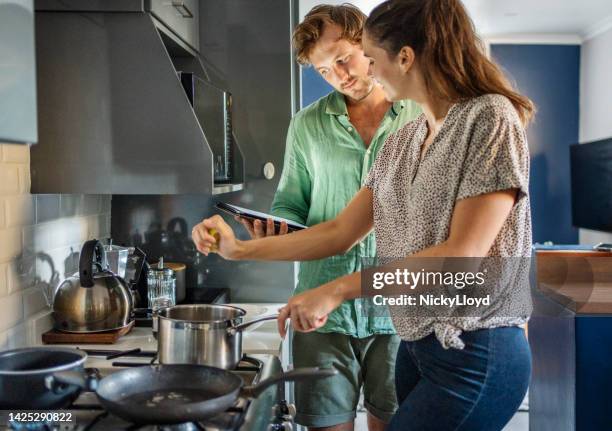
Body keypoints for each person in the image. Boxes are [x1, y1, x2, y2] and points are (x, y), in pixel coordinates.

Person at [193, 0, 534, 429]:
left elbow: (461, 259)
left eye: (369, 59)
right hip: (417, 345)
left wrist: (337, 290)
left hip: (475, 347)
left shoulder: (488, 117)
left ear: (405, 58)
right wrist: (238, 249)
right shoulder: (405, 141)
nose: (361, 73)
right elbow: (339, 231)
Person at [234, 4, 421, 431]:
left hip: (399, 312)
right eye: (323, 71)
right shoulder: (306, 125)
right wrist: (274, 228)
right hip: (320, 315)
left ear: (366, 42)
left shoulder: (417, 113)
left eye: (341, 59)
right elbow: (290, 203)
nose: (338, 75)